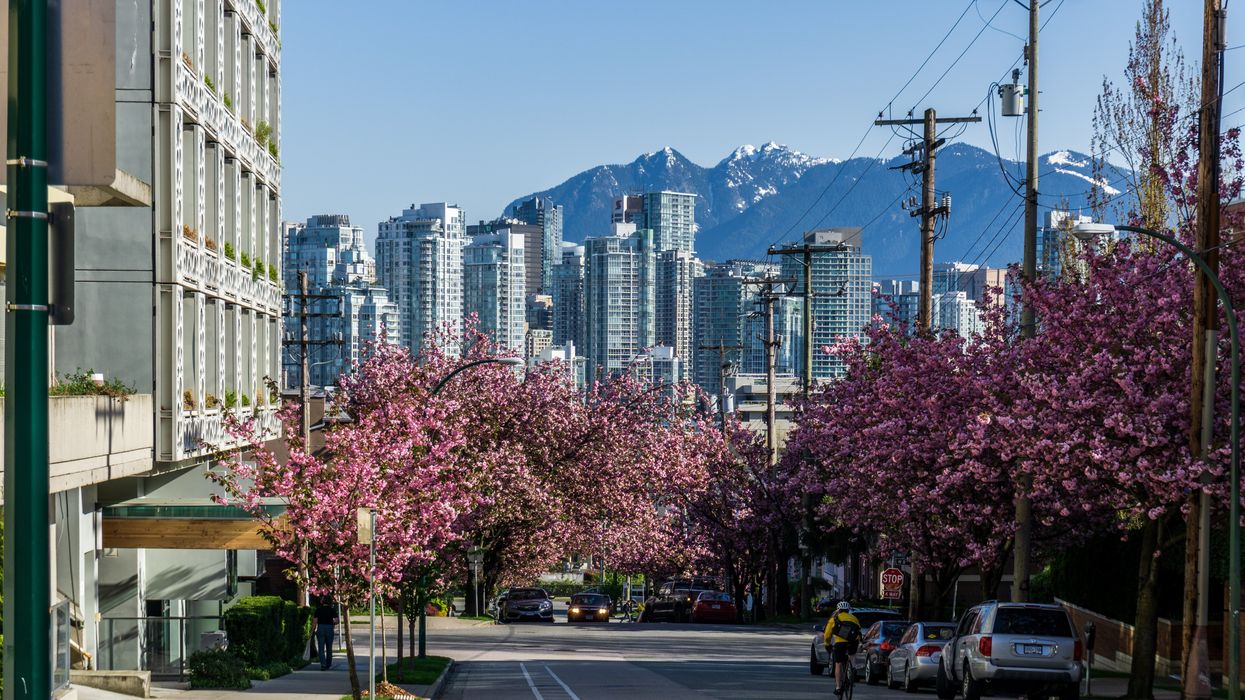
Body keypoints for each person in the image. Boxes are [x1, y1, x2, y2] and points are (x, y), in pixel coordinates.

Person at [822, 601, 861, 696]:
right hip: (853, 641)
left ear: (838, 610)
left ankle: (838, 687)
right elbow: (858, 631)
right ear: (848, 610)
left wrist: (827, 643)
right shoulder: (854, 618)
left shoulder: (834, 618)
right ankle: (853, 668)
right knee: (852, 654)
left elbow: (827, 634)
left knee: (838, 663)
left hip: (840, 643)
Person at [313, 598, 338, 671]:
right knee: (329, 647)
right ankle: (328, 664)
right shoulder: (332, 610)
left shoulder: (318, 610)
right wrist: (332, 624)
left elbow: (315, 621)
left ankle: (323, 665)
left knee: (321, 648)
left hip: (320, 627)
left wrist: (313, 630)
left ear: (322, 602)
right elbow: (336, 621)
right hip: (329, 628)